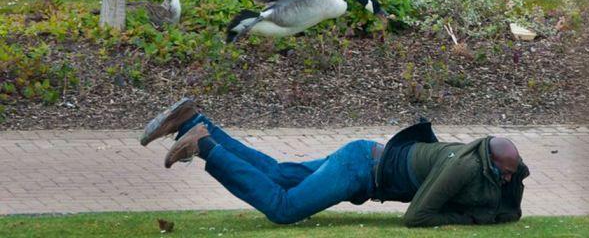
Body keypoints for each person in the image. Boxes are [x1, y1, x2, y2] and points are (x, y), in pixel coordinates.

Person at [140, 98, 530, 227]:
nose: (507, 177)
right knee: (283, 208)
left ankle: (193, 121)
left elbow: (511, 208)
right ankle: (203, 146)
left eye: (511, 173)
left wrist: (510, 186)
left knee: (278, 173)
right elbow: (417, 217)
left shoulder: (489, 160)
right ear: (487, 160)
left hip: (362, 157)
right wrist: (468, 220)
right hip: (359, 169)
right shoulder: (461, 166)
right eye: (503, 172)